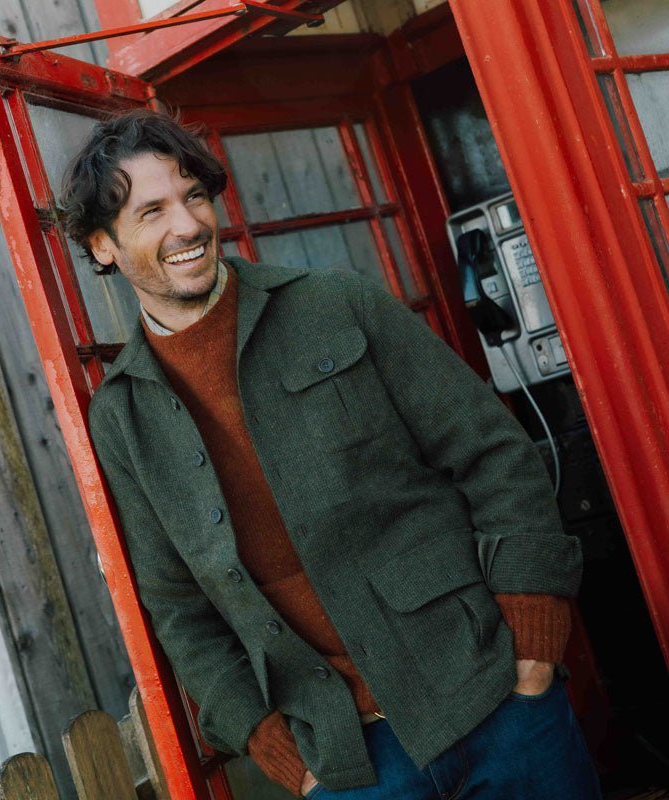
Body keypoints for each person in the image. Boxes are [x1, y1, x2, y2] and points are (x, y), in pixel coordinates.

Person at [60, 109, 601, 799]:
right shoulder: (122, 417)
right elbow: (177, 610)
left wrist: (532, 651)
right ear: (102, 245)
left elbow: (492, 453)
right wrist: (286, 759)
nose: (189, 226)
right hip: (351, 765)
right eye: (152, 212)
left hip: (493, 696)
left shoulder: (334, 304)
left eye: (194, 196)